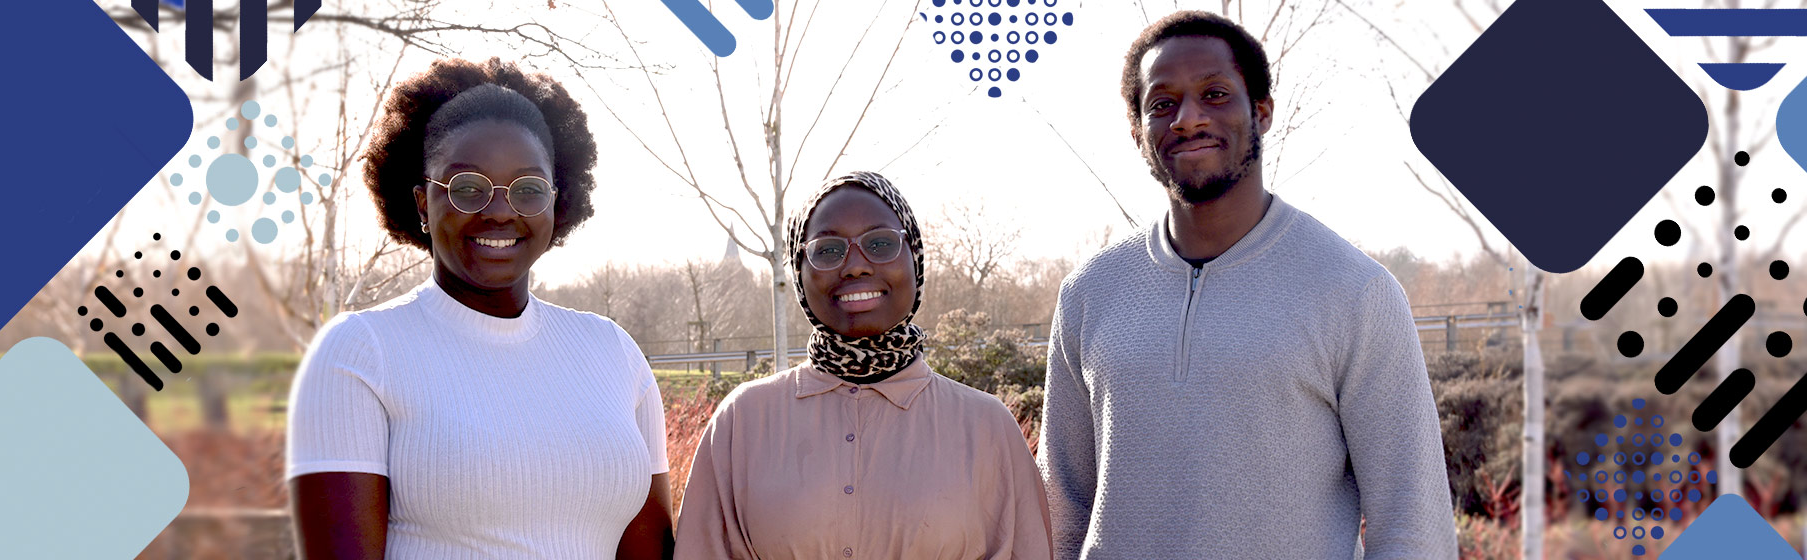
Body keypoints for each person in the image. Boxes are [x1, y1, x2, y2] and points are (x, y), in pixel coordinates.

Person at [1037, 11, 1458, 559]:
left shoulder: (1356, 292)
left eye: (1214, 94)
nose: (1187, 119)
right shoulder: (1089, 294)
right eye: (1162, 104)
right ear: (1139, 130)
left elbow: (1412, 524)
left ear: (1261, 111)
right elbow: (1060, 510)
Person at [284, 57, 673, 559]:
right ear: (423, 204)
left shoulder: (614, 354)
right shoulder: (361, 353)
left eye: (528, 189)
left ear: (557, 202)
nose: (500, 210)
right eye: (467, 188)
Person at [676, 171, 1052, 559]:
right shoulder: (742, 421)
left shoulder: (987, 428)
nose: (855, 266)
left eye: (880, 243)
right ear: (799, 272)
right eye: (828, 250)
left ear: (916, 258)